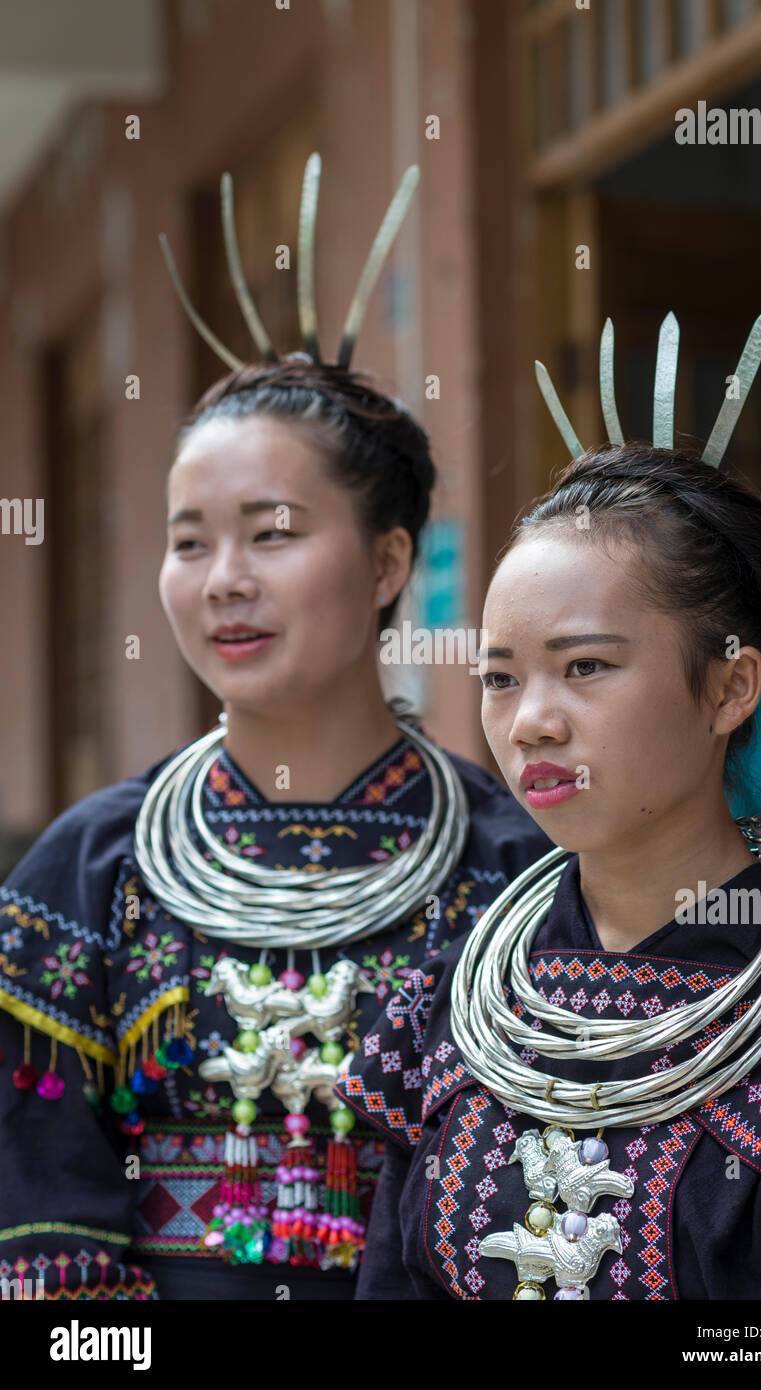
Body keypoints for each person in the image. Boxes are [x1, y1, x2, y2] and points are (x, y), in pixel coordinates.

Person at [0, 157, 552, 1302]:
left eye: (272, 532)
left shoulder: (514, 869)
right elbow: (39, 1229)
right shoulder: (85, 871)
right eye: (189, 540)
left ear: (389, 559)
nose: (222, 581)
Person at [338, 311, 761, 1301]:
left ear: (729, 687)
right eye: (501, 679)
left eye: (585, 666)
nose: (532, 720)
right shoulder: (444, 1008)